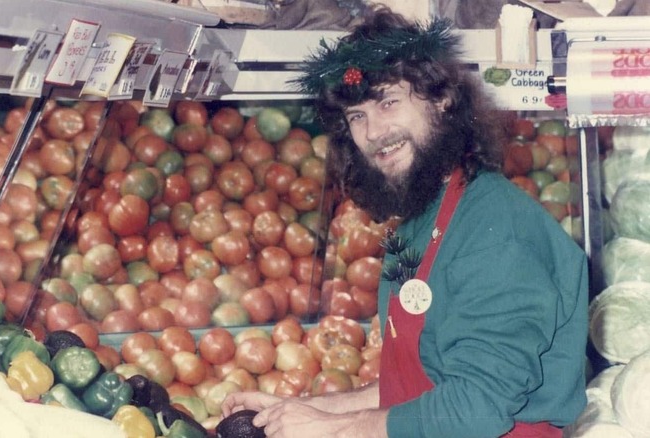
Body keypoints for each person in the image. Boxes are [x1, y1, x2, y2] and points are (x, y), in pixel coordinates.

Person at [221, 6, 589, 438]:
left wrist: (337, 430)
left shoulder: (496, 234)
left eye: (388, 102)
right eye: (357, 116)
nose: (373, 132)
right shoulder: (425, 210)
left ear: (442, 99)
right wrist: (303, 411)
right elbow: (417, 389)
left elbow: (476, 407)